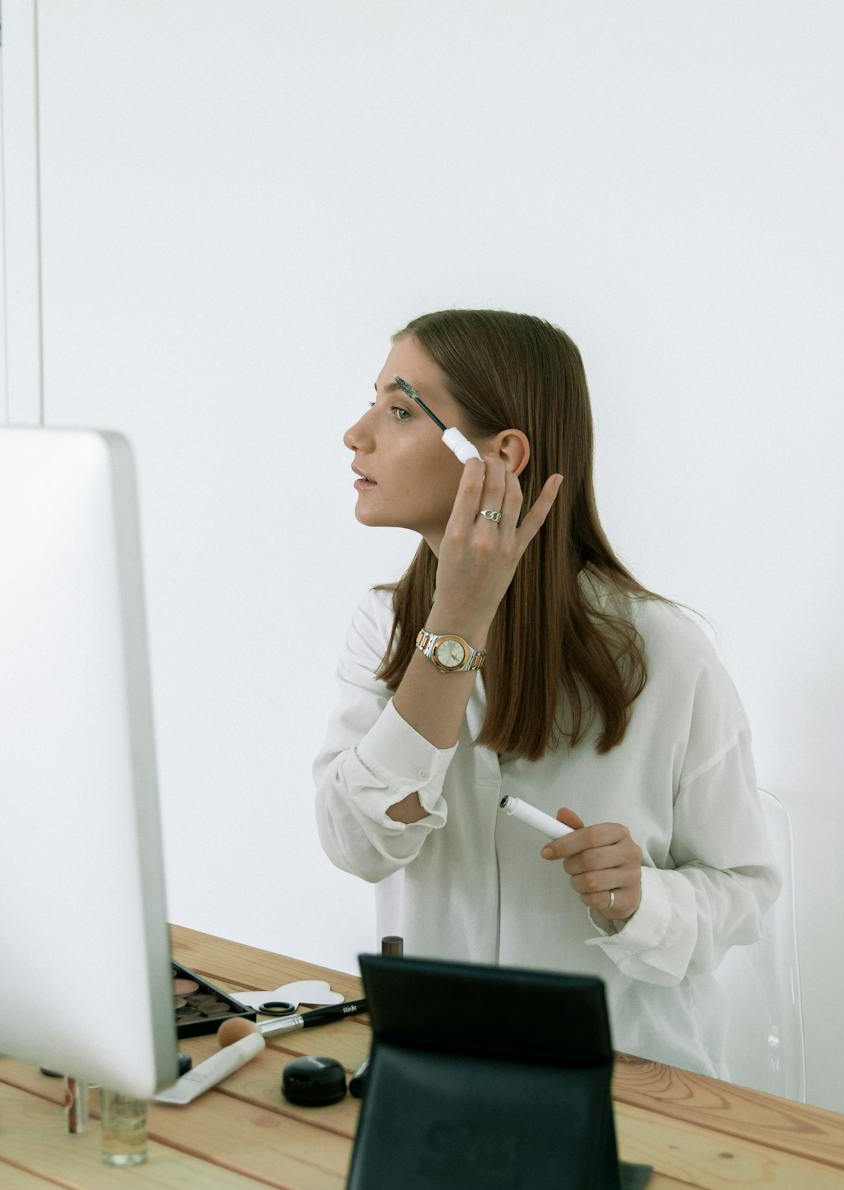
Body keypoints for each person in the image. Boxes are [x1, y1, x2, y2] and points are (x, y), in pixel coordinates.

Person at [311, 308, 781, 1077]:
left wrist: (640, 900)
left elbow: (745, 891)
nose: (356, 433)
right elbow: (359, 842)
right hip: (439, 1077)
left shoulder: (666, 652)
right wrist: (456, 619)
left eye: (399, 410)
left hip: (631, 1092)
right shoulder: (383, 628)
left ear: (498, 457)